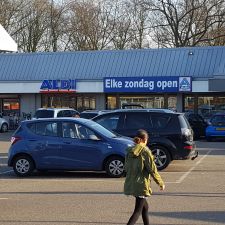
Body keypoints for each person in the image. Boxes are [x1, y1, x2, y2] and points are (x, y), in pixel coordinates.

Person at [124, 129, 165, 225]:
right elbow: (152, 170)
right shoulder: (145, 151)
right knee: (137, 212)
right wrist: (160, 183)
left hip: (131, 183)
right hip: (141, 185)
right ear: (145, 139)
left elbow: (126, 167)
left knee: (145, 208)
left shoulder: (130, 150)